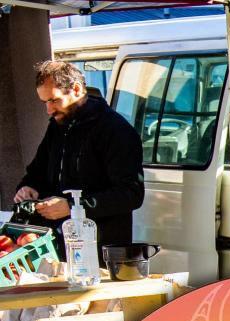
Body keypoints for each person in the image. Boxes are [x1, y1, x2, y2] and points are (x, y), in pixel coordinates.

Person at [12, 61, 144, 254]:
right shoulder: (57, 127)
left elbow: (131, 194)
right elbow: (36, 173)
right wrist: (28, 188)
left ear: (76, 89)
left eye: (54, 100)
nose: (49, 110)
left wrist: (74, 207)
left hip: (98, 250)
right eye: (45, 102)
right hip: (57, 244)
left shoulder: (116, 130)